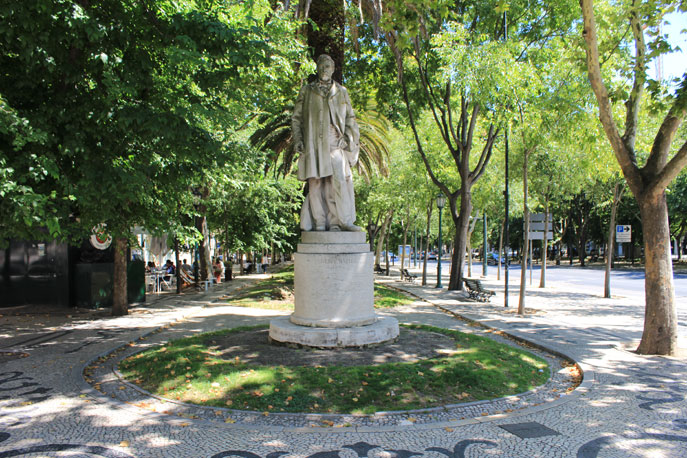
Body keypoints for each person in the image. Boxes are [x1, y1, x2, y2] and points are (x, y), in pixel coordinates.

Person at [292, 54, 362, 232]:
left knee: (335, 181)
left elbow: (350, 118)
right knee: (315, 182)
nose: (325, 69)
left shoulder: (341, 91)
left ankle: (337, 222)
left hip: (334, 143)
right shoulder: (307, 91)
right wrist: (298, 140)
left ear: (333, 69)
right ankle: (320, 222)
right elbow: (297, 118)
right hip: (313, 143)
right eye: (322, 66)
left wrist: (347, 138)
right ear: (317, 68)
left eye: (328, 67)